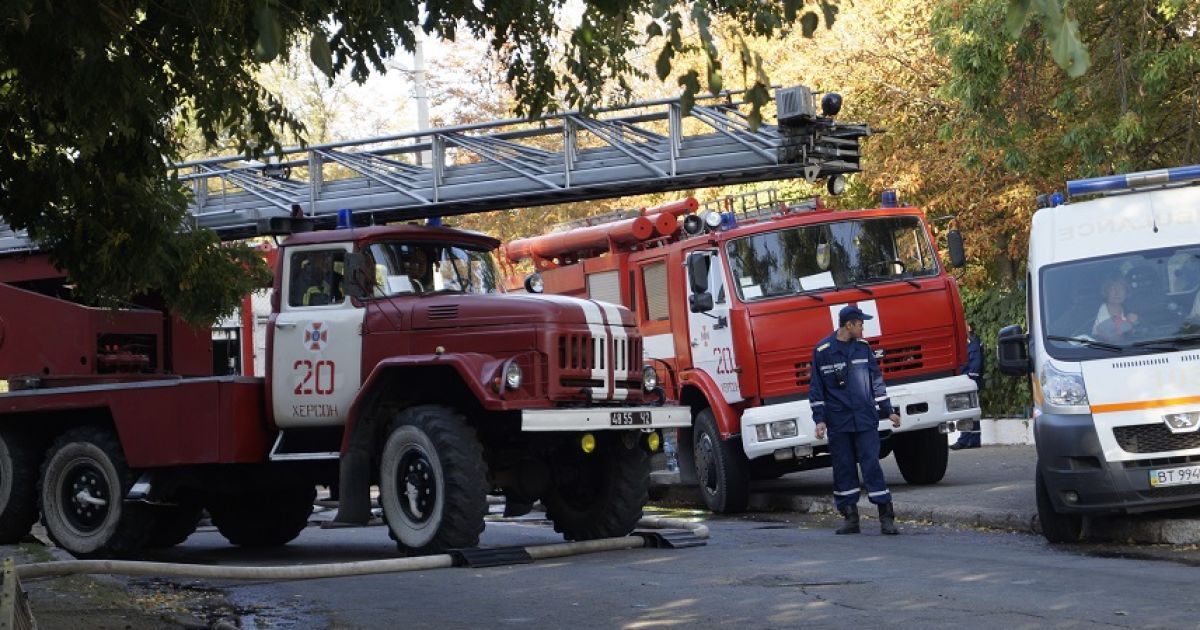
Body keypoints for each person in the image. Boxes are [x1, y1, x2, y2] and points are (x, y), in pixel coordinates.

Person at [809, 305, 903, 535]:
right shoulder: (822, 351)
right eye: (860, 324)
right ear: (848, 325)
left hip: (864, 419)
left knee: (871, 465)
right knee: (844, 468)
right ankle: (850, 517)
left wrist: (888, 410)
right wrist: (819, 420)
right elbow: (816, 389)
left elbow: (876, 380)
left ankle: (886, 516)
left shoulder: (863, 348)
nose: (863, 328)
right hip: (838, 422)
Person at [951, 323, 984, 450]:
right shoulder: (968, 342)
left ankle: (964, 440)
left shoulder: (972, 343)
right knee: (971, 410)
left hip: (969, 380)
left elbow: (975, 363)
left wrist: (968, 379)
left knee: (964, 409)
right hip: (968, 379)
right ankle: (975, 439)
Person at [1092, 274, 1138, 342]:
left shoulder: (1130, 312)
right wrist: (1128, 323)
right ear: (1106, 291)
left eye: (1121, 288)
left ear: (1126, 292)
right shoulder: (1094, 313)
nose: (1117, 292)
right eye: (1113, 288)